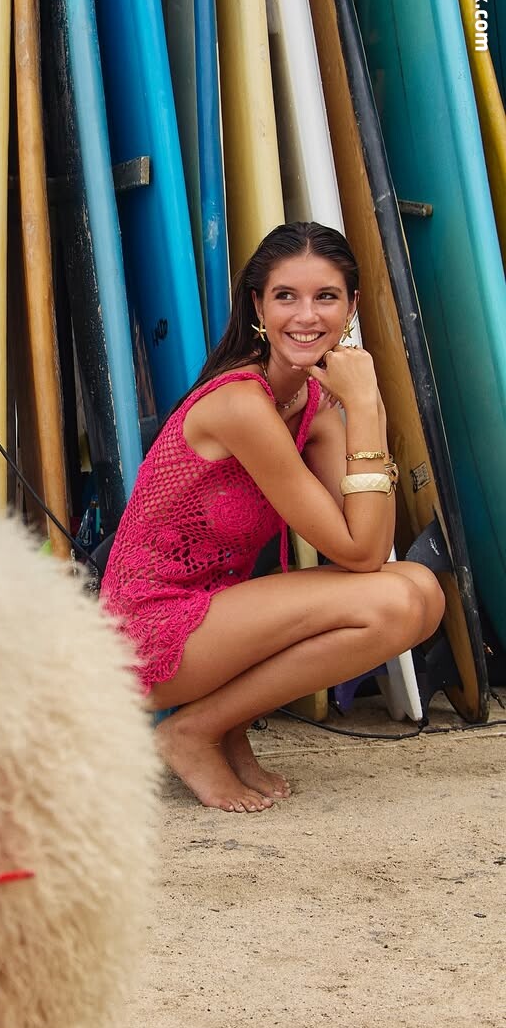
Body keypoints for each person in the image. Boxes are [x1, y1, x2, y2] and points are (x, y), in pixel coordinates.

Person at [100, 221, 444, 814]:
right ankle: (190, 732)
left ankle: (220, 725)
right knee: (392, 599)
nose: (306, 316)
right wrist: (364, 403)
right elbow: (361, 555)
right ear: (258, 305)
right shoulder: (239, 403)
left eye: (326, 296)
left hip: (222, 620)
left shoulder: (313, 405)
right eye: (286, 296)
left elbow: (366, 543)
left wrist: (366, 408)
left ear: (351, 306)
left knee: (422, 591)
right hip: (150, 632)